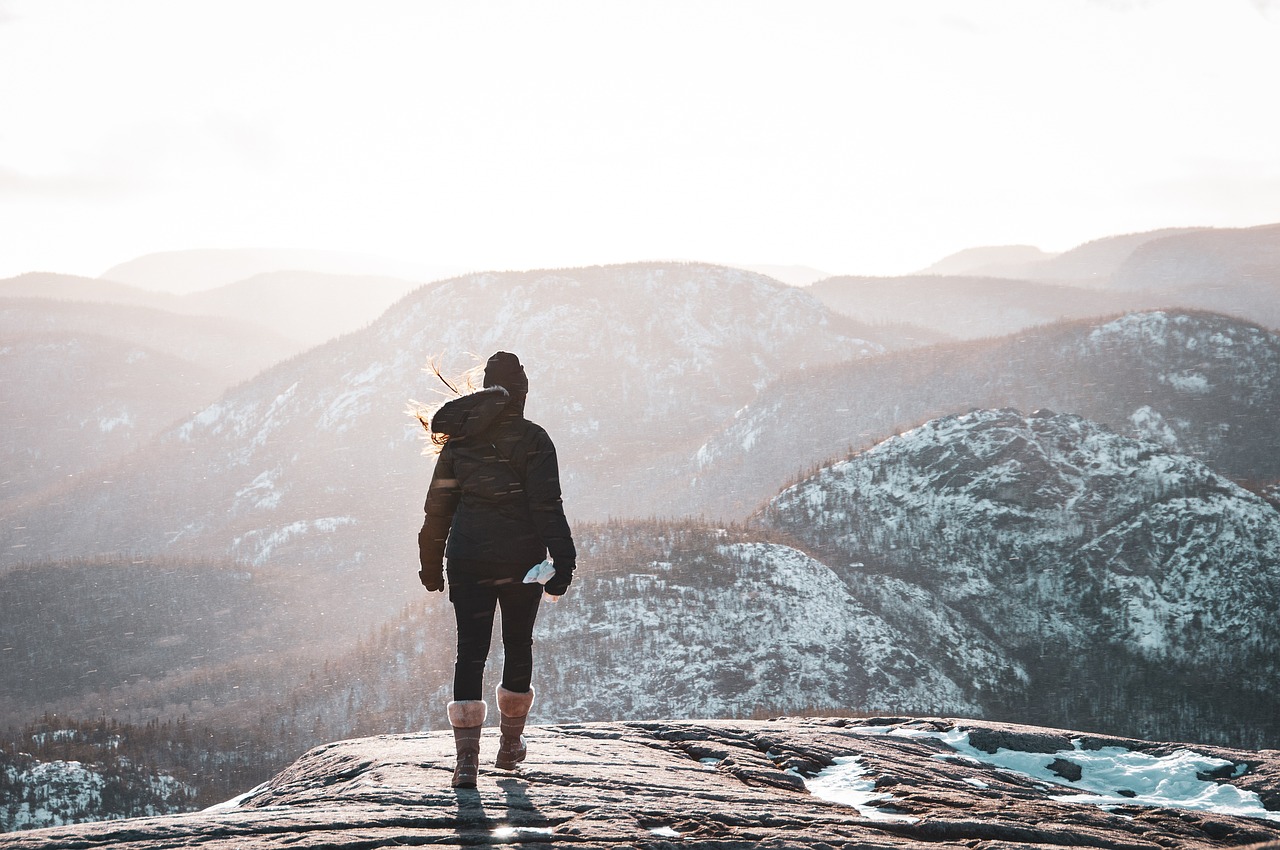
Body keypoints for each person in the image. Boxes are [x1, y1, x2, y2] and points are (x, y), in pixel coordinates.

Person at [417, 351, 576, 788]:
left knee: (470, 650)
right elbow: (548, 507)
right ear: (520, 394)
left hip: (467, 561)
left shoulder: (459, 444)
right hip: (522, 563)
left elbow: (437, 510)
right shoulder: (534, 439)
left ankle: (466, 760)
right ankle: (509, 747)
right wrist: (564, 563)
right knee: (517, 643)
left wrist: (431, 565)